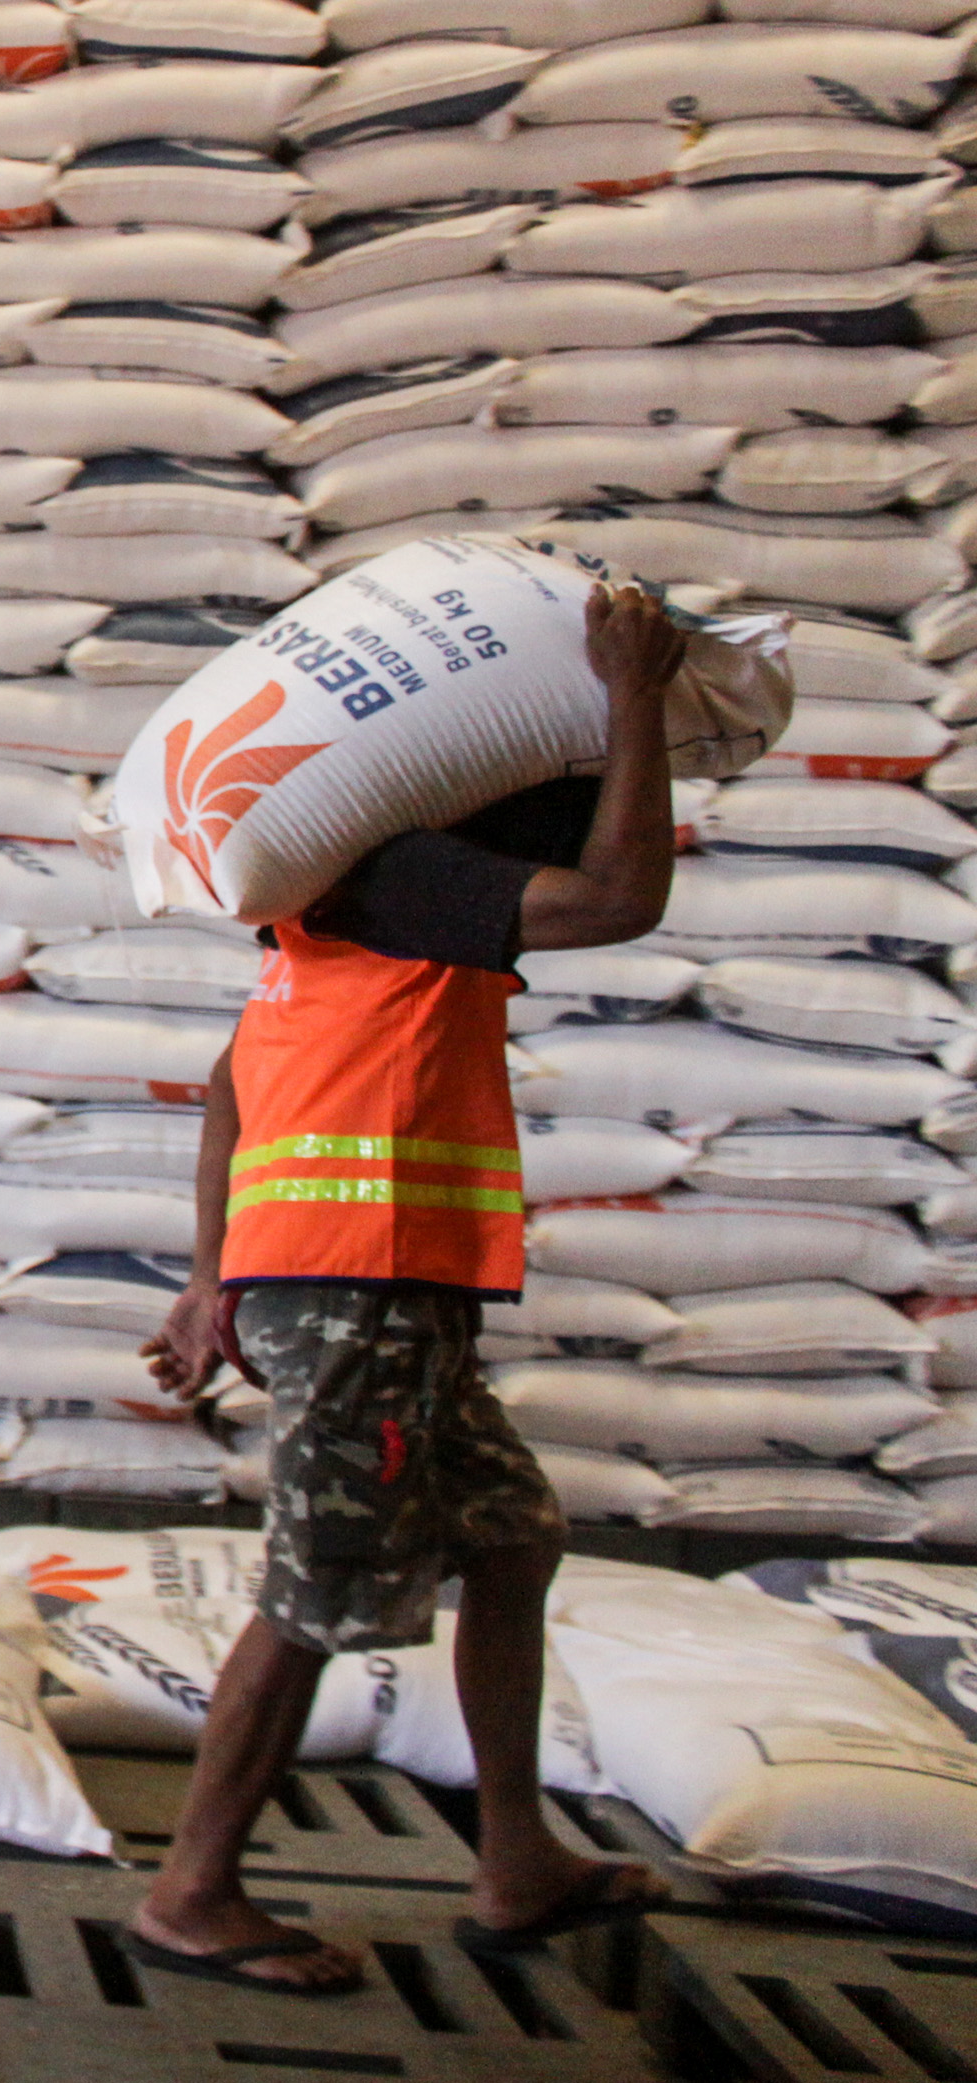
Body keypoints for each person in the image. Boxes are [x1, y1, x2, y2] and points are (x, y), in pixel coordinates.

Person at [131, 583, 686, 1993]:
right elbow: (624, 894)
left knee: (508, 1537)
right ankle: (192, 1891)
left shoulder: (321, 917)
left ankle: (515, 1859)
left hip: (361, 1288)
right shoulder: (407, 875)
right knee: (319, 1587)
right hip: (358, 1286)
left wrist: (213, 1281)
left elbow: (224, 1090)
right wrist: (631, 690)